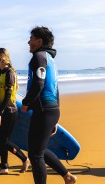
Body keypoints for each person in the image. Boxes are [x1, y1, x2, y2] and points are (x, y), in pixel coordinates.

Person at [21, 26, 77, 184]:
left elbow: (38, 84)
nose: (28, 42)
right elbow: (55, 88)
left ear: (39, 41)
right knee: (37, 150)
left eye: (31, 38)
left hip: (44, 110)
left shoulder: (39, 57)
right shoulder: (50, 59)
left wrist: (26, 103)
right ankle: (67, 176)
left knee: (35, 154)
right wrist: (56, 118)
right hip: (51, 110)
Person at [0, 48, 30, 174]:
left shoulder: (10, 73)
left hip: (9, 111)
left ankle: (24, 159)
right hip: (3, 109)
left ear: (0, 58)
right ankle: (4, 167)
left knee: (4, 141)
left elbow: (8, 95)